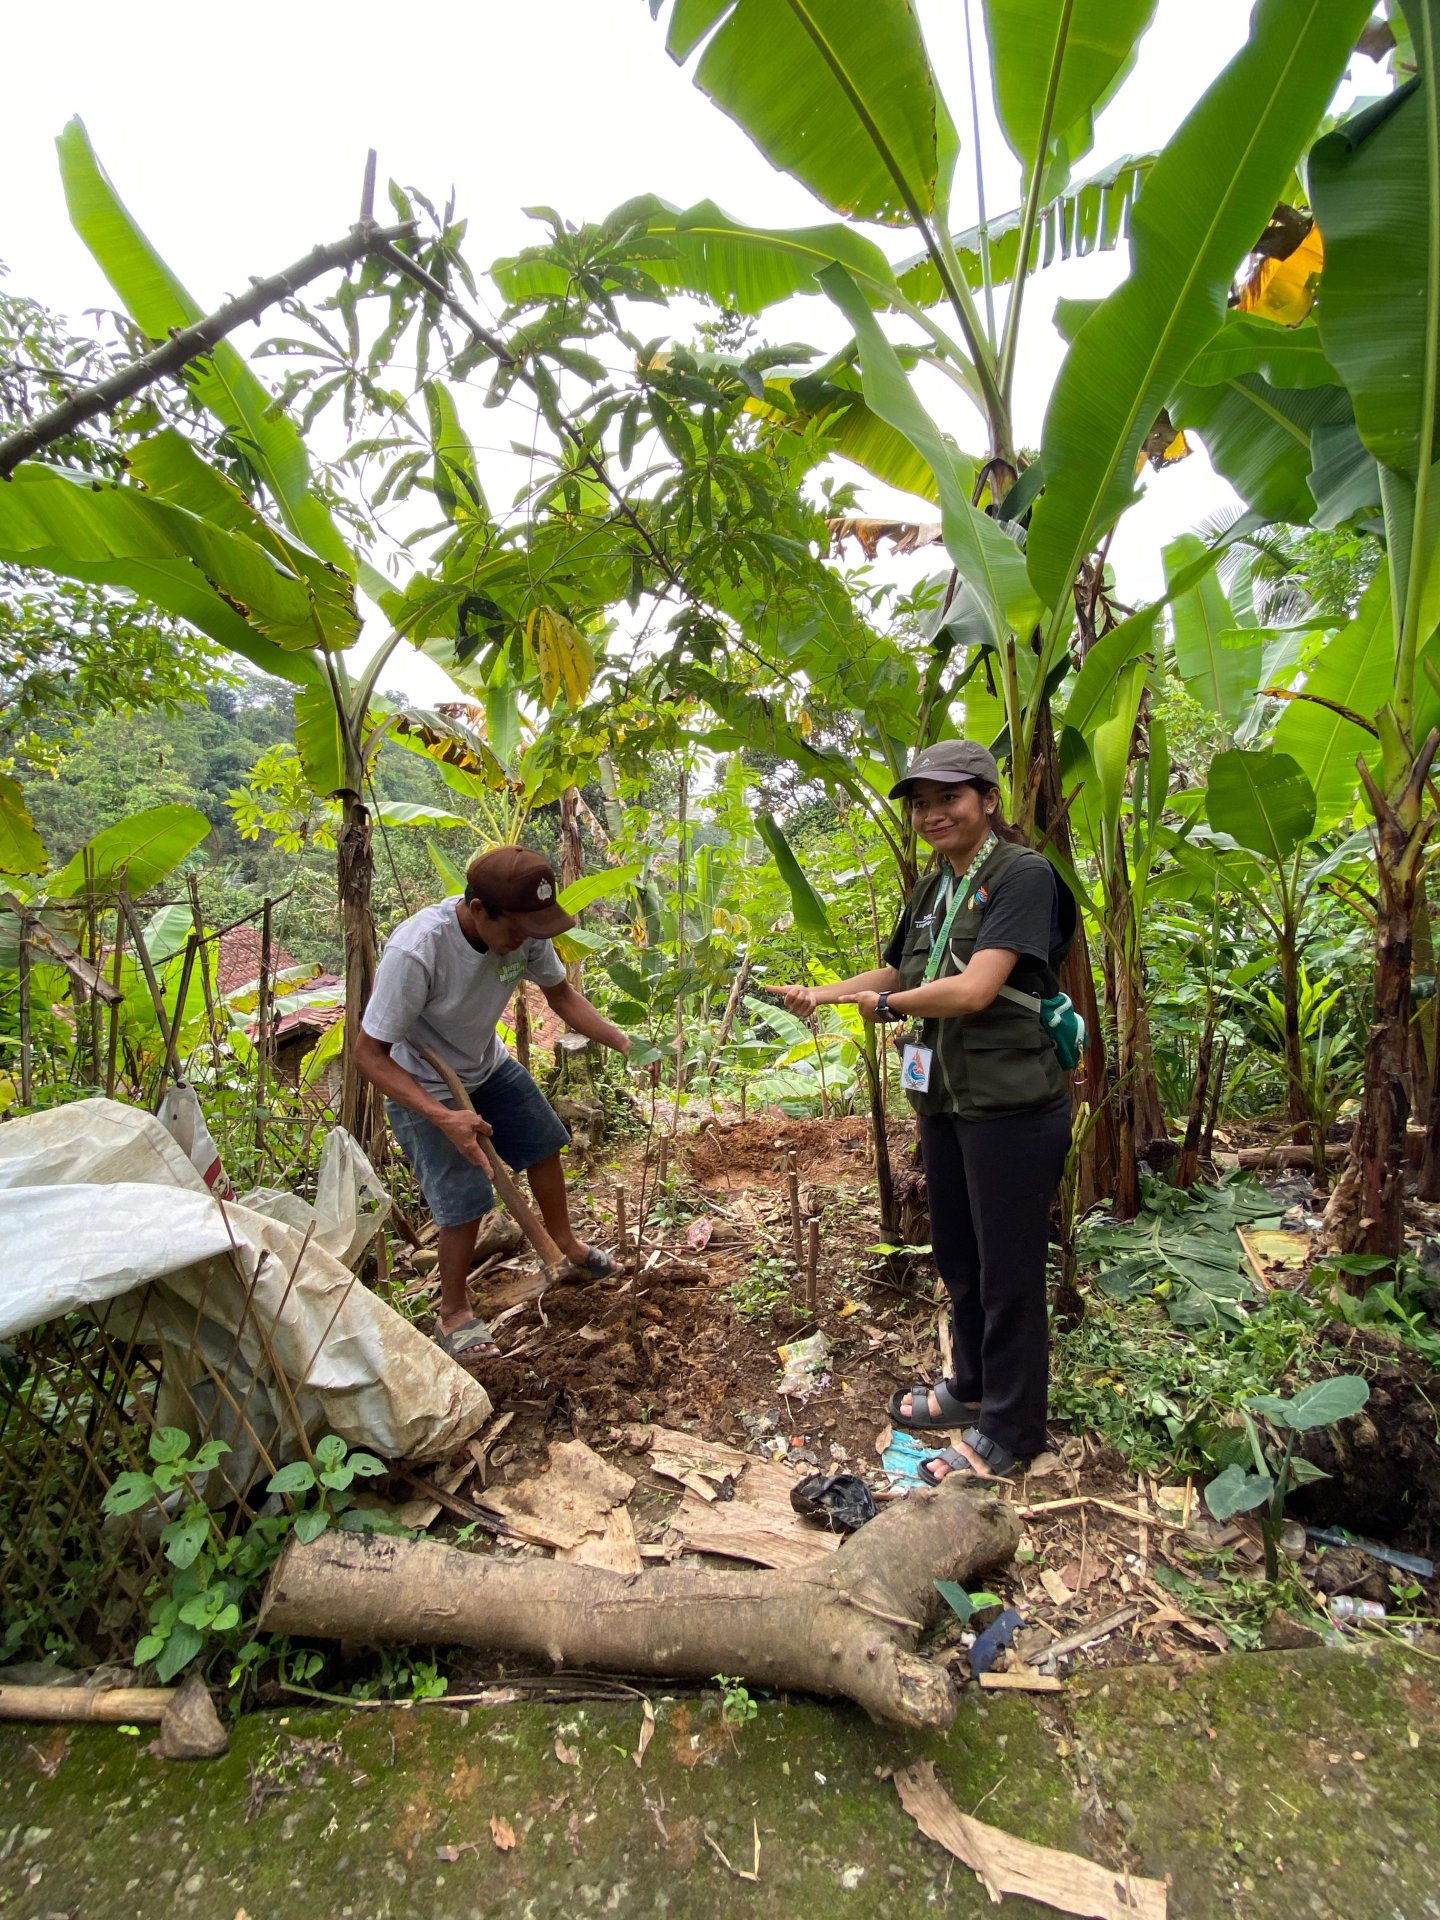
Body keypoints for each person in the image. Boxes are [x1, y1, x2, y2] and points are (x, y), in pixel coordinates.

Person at [771, 741, 1075, 1483]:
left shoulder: (1022, 875)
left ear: (988, 800)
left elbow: (974, 990)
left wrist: (886, 1006)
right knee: (959, 1257)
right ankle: (972, 1389)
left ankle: (1011, 1428)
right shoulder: (936, 885)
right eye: (921, 803)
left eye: (949, 798)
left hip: (1009, 1102)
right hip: (945, 1099)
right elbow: (901, 968)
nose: (933, 814)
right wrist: (832, 993)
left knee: (1007, 1270)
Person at [355, 845, 631, 1360]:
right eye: (517, 929)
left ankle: (566, 1246)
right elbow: (368, 1054)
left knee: (544, 1142)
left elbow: (562, 996)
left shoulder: (522, 932)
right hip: (421, 1082)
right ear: (479, 909)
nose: (525, 939)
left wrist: (621, 1040)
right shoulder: (418, 951)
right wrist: (443, 1115)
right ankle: (454, 1311)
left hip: (487, 1063)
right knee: (462, 1200)